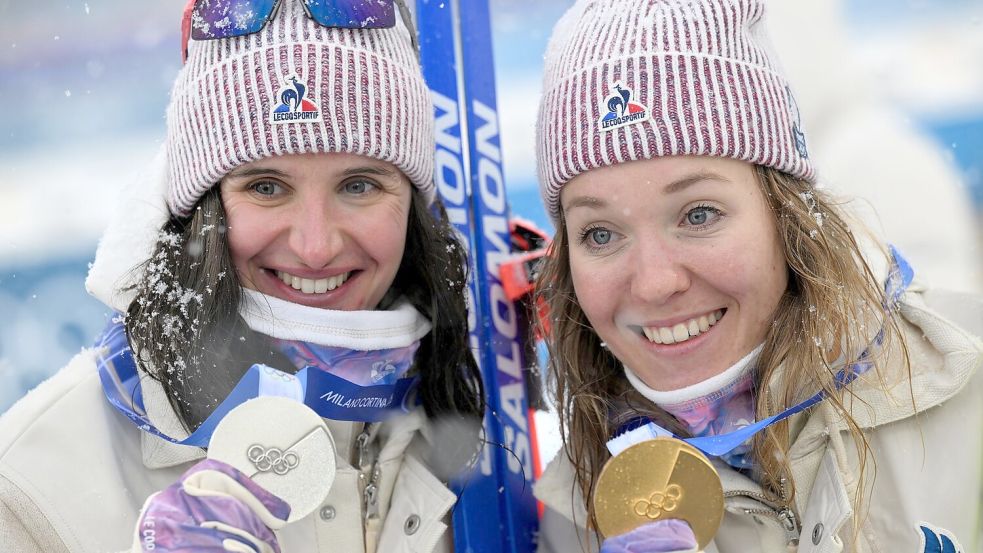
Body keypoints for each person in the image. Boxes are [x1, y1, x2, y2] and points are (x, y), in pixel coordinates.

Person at [0, 1, 483, 551]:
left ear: (413, 205)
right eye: (267, 187)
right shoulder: (29, 486)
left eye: (359, 185)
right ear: (199, 209)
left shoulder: (486, 410)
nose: (315, 245)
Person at [530, 1, 983, 552]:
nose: (653, 283)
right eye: (600, 234)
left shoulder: (969, 394)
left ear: (784, 214)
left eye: (698, 214)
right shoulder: (572, 513)